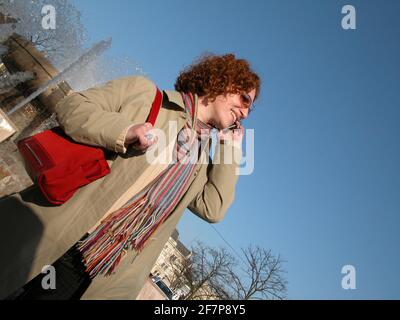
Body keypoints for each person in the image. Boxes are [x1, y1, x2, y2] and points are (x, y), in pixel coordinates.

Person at [0, 53, 260, 300]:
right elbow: (73, 106)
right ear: (222, 81)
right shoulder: (146, 95)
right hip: (56, 235)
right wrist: (123, 132)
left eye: (251, 108)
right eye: (245, 99)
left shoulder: (201, 160)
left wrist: (230, 149)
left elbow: (213, 208)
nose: (246, 113)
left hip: (103, 275)